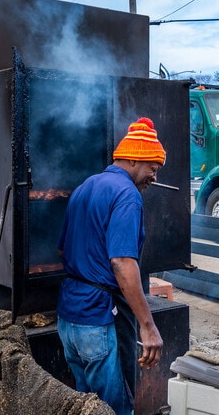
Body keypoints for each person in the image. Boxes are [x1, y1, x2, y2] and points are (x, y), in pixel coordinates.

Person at [56, 117, 165, 415]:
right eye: (152, 169)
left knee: (84, 407)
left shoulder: (85, 186)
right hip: (100, 318)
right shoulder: (127, 195)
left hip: (69, 320)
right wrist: (148, 326)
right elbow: (121, 263)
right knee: (113, 410)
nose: (154, 177)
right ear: (132, 159)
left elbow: (63, 248)